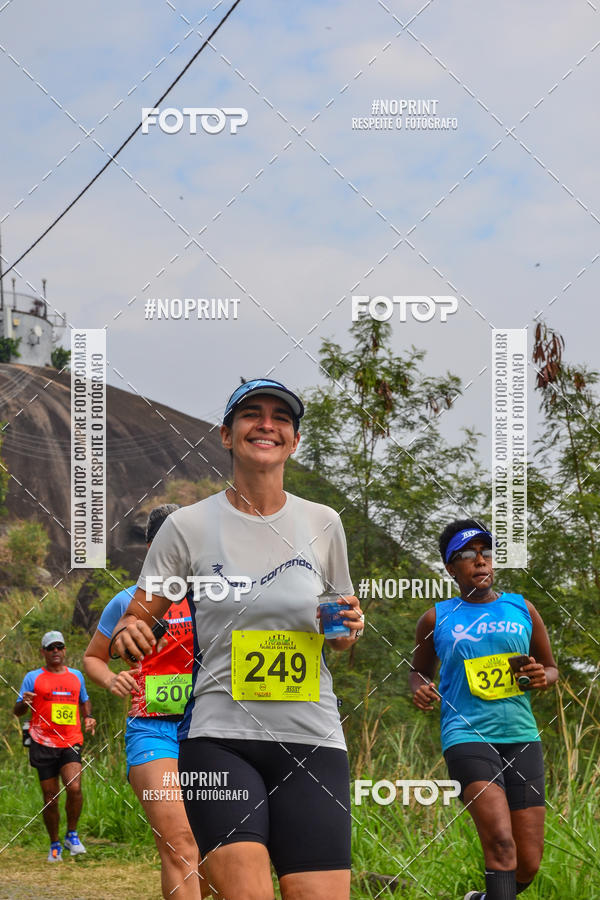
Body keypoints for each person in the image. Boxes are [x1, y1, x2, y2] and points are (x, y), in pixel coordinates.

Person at [111, 377, 365, 900]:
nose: (266, 424)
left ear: (294, 441)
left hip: (313, 738)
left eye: (281, 418)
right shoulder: (187, 526)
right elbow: (136, 617)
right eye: (252, 414)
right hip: (220, 740)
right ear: (227, 435)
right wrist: (130, 630)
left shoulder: (324, 523)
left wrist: (346, 631)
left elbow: (339, 631)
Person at [410, 520, 558, 900]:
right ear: (450, 568)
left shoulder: (522, 607)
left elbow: (550, 667)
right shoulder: (436, 618)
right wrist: (420, 688)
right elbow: (418, 671)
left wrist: (542, 677)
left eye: (486, 552)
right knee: (501, 843)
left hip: (521, 735)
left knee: (528, 863)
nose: (480, 560)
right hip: (466, 736)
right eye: (467, 554)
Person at [84, 504, 206, 900]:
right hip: (153, 730)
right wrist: (112, 678)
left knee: (218, 852)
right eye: (172, 543)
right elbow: (93, 657)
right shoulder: (127, 603)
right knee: (180, 842)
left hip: (210, 729)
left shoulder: (216, 598)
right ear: (153, 548)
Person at [14, 630, 96, 861]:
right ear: (43, 652)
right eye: (51, 648)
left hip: (70, 740)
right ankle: (54, 844)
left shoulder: (76, 676)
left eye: (59, 647)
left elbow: (84, 700)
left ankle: (72, 835)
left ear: (64, 650)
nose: (56, 651)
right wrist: (24, 703)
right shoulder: (33, 677)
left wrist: (88, 716)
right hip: (42, 742)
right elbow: (17, 710)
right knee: (50, 798)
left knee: (74, 787)